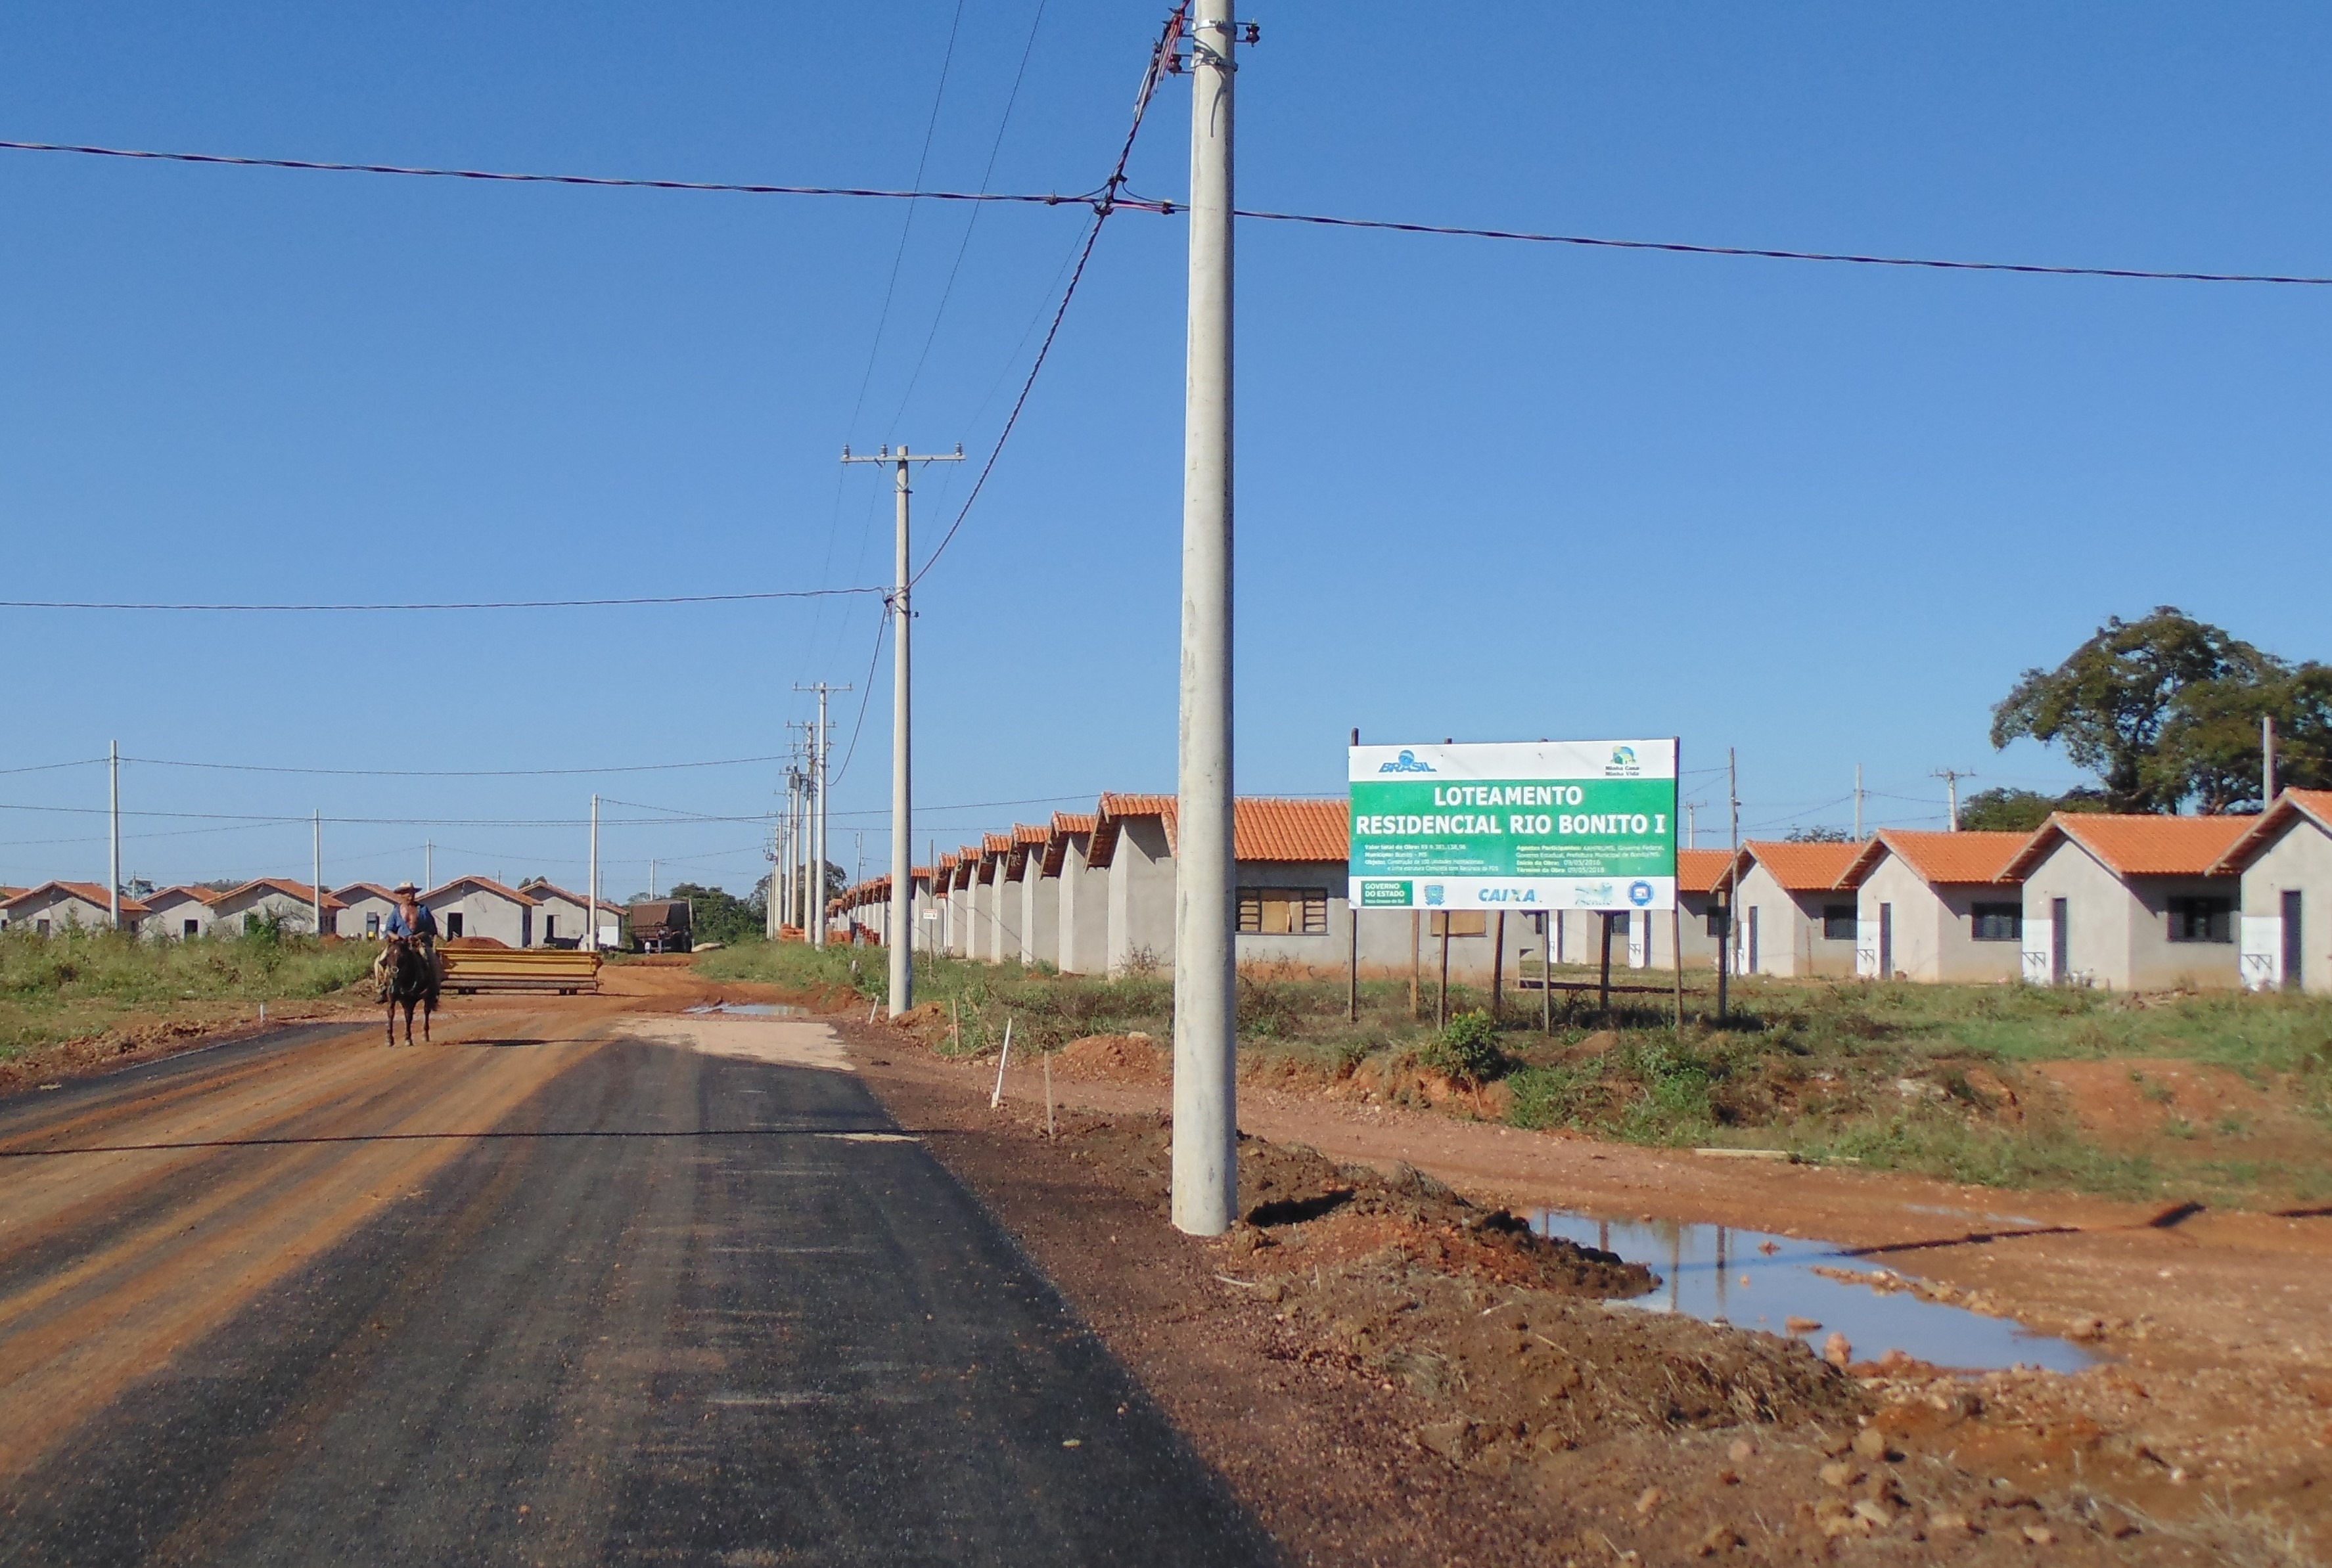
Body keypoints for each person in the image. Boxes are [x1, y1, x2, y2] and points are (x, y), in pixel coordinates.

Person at [376, 882, 440, 997]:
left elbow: (432, 930)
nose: (410, 895)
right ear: (401, 895)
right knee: (379, 962)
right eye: (406, 892)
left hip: (419, 944)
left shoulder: (423, 910)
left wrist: (418, 936)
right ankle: (382, 987)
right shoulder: (396, 911)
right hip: (399, 944)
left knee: (432, 960)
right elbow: (389, 930)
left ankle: (433, 989)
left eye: (412, 892)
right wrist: (397, 937)